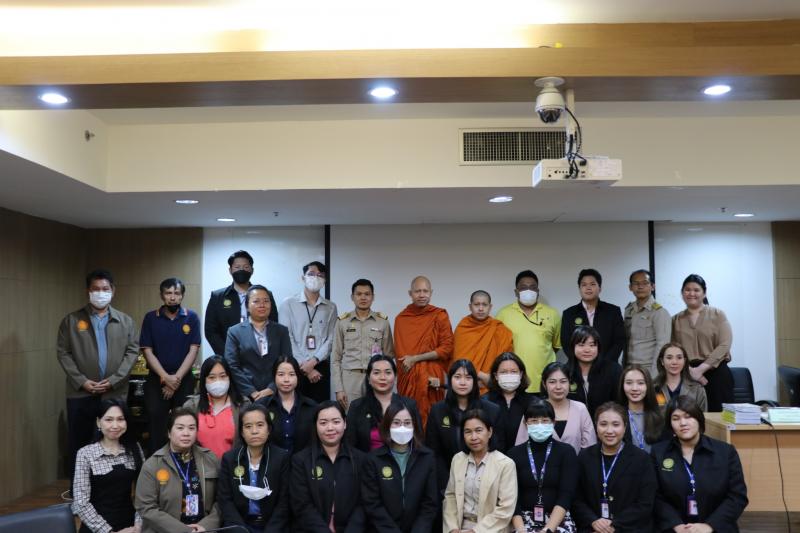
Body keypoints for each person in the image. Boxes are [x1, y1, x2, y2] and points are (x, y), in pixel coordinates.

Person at [57, 269, 139, 485]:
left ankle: (115, 491)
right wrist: (82, 381)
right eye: (96, 289)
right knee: (80, 443)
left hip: (115, 393)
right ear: (88, 291)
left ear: (113, 290)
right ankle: (79, 492)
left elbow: (132, 352)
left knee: (115, 441)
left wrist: (114, 380)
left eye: (105, 289)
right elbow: (63, 353)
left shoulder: (125, 321)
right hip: (80, 393)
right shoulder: (71, 321)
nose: (100, 293)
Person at [652, 396, 748, 532]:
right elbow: (655, 496)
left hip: (716, 528)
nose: (683, 423)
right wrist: (677, 525)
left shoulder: (725, 452)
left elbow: (737, 496)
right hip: (673, 529)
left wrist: (709, 526)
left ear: (699, 419)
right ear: (670, 425)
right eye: (676, 418)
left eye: (688, 416)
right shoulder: (658, 453)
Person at [572, 402, 657, 533]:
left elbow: (645, 503)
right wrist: (593, 521)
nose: (609, 431)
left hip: (630, 529)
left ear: (625, 427)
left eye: (616, 425)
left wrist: (614, 525)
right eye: (603, 424)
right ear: (596, 426)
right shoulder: (584, 457)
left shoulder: (641, 459)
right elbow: (576, 498)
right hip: (592, 528)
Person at [135, 407, 221, 532]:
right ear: (169, 433)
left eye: (191, 428)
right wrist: (183, 530)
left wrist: (206, 526)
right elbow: (146, 507)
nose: (186, 433)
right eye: (180, 428)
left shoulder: (209, 458)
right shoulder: (153, 464)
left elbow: (223, 499)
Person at [140, 277, 201, 452]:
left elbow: (193, 350)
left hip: (184, 379)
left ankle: (184, 460)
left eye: (176, 293)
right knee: (156, 424)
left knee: (184, 422)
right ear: (162, 295)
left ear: (182, 296)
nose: (172, 297)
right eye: (168, 293)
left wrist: (176, 379)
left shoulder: (191, 317)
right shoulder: (151, 318)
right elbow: (147, 351)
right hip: (156, 380)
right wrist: (165, 378)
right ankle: (157, 461)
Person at [426, 359, 505, 492]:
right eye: (457, 377)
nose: (463, 382)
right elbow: (433, 451)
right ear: (450, 380)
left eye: (468, 378)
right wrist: (448, 482)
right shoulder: (438, 410)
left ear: (474, 381)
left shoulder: (492, 410)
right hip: (447, 480)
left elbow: (498, 448)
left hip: (484, 479)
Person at [361, 400, 438, 533]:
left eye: (407, 423)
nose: (402, 427)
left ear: (414, 425)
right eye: (396, 423)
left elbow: (429, 504)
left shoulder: (427, 457)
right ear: (387, 425)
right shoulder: (373, 460)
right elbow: (372, 504)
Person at [290, 401, 367, 532]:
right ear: (315, 425)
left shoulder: (361, 459)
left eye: (336, 422)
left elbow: (364, 503)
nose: (330, 428)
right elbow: (302, 505)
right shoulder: (300, 460)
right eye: (323, 423)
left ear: (345, 423)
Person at [73, 399, 145, 533]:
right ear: (98, 422)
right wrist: (109, 532)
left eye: (120, 419)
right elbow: (80, 503)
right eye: (109, 420)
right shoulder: (85, 453)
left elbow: (145, 494)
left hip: (130, 525)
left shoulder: (135, 449)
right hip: (96, 528)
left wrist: (138, 526)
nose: (115, 425)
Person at [216, 404, 291, 532]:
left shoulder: (282, 458)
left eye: (260, 425)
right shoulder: (230, 459)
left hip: (273, 527)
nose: (254, 431)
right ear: (241, 432)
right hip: (239, 526)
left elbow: (284, 502)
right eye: (248, 426)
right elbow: (225, 500)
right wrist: (240, 530)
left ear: (269, 429)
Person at [508, 400, 579, 533]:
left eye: (545, 421)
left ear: (553, 423)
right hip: (522, 519)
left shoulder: (566, 452)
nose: (539, 425)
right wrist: (520, 529)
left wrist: (548, 529)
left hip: (558, 519)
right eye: (534, 421)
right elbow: (511, 498)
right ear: (525, 424)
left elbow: (566, 494)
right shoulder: (513, 454)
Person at [442, 409, 517, 533]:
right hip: (459, 527)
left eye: (478, 430)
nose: (473, 437)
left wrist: (475, 531)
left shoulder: (505, 464)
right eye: (468, 432)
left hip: (490, 529)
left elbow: (506, 508)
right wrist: (453, 528)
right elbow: (450, 497)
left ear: (490, 432)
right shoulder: (458, 459)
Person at [393, 275, 454, 425]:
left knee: (434, 421)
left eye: (425, 291)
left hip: (433, 377)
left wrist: (416, 358)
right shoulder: (401, 319)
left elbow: (447, 348)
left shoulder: (439, 316)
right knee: (409, 419)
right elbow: (401, 356)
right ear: (410, 293)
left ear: (431, 293)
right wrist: (415, 368)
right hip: (410, 380)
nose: (421, 295)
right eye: (417, 291)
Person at [671, 274, 734, 412]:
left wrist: (700, 370)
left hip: (716, 372)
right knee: (689, 415)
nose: (691, 293)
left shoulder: (718, 314)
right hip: (686, 374)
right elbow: (673, 349)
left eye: (696, 290)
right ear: (682, 293)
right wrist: (690, 371)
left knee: (720, 416)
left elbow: (725, 344)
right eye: (687, 290)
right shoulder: (675, 319)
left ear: (704, 293)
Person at [279, 261, 338, 403]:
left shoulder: (330, 307)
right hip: (295, 366)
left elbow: (331, 338)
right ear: (303, 277)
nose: (315, 278)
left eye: (320, 275)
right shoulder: (288, 304)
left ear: (325, 280)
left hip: (320, 366)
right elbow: (286, 336)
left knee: (321, 409)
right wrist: (305, 365)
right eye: (311, 274)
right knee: (296, 409)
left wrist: (313, 361)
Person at [331, 278, 394, 411]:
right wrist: (338, 388)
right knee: (351, 417)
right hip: (350, 380)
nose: (363, 297)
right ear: (352, 297)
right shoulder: (342, 322)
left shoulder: (382, 322)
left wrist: (387, 384)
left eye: (367, 294)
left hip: (376, 378)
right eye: (359, 294)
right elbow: (335, 358)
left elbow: (388, 357)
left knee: (376, 417)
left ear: (373, 297)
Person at [224, 284, 292, 402]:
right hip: (245, 396)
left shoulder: (281, 331)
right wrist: (251, 391)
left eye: (266, 301)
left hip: (276, 393)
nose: (262, 305)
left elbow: (287, 361)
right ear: (247, 306)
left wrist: (272, 388)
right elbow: (232, 365)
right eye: (256, 301)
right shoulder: (234, 332)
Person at [496, 270, 561, 393]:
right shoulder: (503, 314)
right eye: (523, 287)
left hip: (545, 382)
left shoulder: (552, 314)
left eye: (532, 287)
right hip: (513, 382)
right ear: (516, 292)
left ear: (538, 291)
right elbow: (498, 348)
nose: (528, 291)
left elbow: (555, 346)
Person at [205, 250, 278, 356]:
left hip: (260, 356)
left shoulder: (266, 295)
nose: (241, 270)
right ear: (230, 270)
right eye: (237, 267)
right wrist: (227, 354)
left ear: (252, 270)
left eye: (246, 267)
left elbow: (273, 326)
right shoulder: (217, 297)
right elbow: (211, 331)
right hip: (228, 357)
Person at [346, 354, 421, 453]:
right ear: (368, 378)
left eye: (388, 372)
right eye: (377, 373)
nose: (382, 377)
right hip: (367, 461)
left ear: (395, 377)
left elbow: (419, 443)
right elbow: (349, 446)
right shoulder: (357, 406)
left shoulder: (409, 405)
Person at [184, 355, 246, 461]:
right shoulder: (191, 406)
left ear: (229, 377)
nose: (218, 381)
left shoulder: (243, 405)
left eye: (223, 376)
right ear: (204, 380)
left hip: (234, 467)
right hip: (200, 467)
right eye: (212, 377)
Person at [453, 290, 514, 394]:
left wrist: (492, 379)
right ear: (470, 307)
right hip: (467, 383)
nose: (481, 308)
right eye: (477, 304)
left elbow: (507, 359)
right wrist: (482, 377)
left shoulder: (499, 329)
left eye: (484, 305)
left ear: (490, 307)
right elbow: (458, 360)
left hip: (494, 385)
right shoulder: (463, 328)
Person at [561, 269, 625, 365]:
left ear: (600, 288)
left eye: (592, 284)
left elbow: (619, 341)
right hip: (578, 368)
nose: (588, 288)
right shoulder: (569, 314)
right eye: (584, 285)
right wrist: (581, 364)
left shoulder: (613, 311)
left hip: (607, 367)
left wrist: (604, 364)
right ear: (579, 289)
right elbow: (566, 343)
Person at [258, 355, 318, 454]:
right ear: (274, 376)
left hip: (302, 462)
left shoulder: (311, 407)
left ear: (298, 377)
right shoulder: (262, 406)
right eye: (281, 374)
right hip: (271, 462)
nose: (286, 379)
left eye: (291, 374)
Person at [566, 326, 622, 419]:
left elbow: (620, 403)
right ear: (573, 347)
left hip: (606, 422)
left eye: (592, 345)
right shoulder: (565, 372)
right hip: (574, 423)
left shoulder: (614, 370)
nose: (587, 350)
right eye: (581, 345)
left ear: (598, 348)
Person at [483, 352, 535, 451]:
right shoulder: (484, 402)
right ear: (496, 375)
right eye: (503, 372)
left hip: (524, 456)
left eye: (513, 371)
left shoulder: (533, 402)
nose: (509, 375)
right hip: (492, 456)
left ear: (521, 374)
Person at [541, 362, 596, 454]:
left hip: (576, 463)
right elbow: (522, 445)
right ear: (544, 384)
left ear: (569, 383)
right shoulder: (535, 408)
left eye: (563, 381)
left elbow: (590, 447)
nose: (558, 387)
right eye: (552, 382)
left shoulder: (580, 409)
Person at [623, 269, 670, 374]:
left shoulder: (659, 312)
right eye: (636, 283)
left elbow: (662, 345)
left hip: (648, 368)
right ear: (630, 287)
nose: (640, 287)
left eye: (645, 283)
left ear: (652, 286)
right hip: (629, 367)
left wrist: (655, 374)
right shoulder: (628, 311)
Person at [618, 364, 667, 453]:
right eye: (629, 383)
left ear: (648, 386)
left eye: (640, 383)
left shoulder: (661, 417)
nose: (634, 388)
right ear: (622, 385)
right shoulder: (617, 416)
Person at [653, 343, 708, 413]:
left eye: (679, 358)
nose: (674, 362)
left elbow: (703, 417)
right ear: (662, 361)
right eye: (669, 358)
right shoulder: (652, 388)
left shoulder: (697, 389)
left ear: (684, 361)